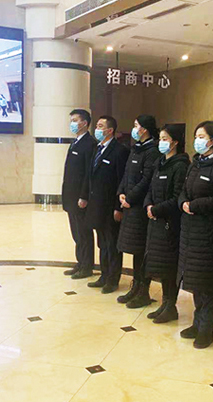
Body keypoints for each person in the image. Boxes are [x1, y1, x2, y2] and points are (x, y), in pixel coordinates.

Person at [177, 121, 213, 349]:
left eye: (202, 136)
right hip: (190, 232)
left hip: (209, 234)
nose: (197, 140)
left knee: (208, 283)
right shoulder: (196, 164)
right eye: (196, 136)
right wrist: (183, 203)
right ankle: (197, 322)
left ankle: (206, 329)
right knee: (195, 281)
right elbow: (183, 190)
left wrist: (195, 205)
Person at [143, 124, 190, 323]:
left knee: (170, 267)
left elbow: (177, 196)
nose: (161, 142)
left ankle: (171, 305)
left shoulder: (180, 165)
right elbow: (150, 189)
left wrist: (156, 210)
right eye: (160, 139)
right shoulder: (160, 163)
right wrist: (148, 205)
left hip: (170, 224)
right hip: (156, 222)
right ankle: (165, 303)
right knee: (161, 266)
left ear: (175, 142)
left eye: (165, 139)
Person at [116, 115, 162, 308]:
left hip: (140, 208)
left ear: (145, 129)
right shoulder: (136, 148)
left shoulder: (152, 151)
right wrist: (121, 193)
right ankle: (135, 286)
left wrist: (130, 198)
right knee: (135, 250)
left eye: (136, 125)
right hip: (129, 206)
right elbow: (126, 174)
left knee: (143, 251)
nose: (134, 129)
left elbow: (147, 180)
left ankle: (143, 290)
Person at [85, 116, 130, 294]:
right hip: (97, 206)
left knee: (112, 244)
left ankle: (113, 279)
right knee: (102, 243)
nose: (97, 129)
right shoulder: (98, 148)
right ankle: (104, 275)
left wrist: (118, 208)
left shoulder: (119, 151)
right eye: (97, 125)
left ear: (110, 130)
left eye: (100, 126)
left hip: (111, 206)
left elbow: (121, 181)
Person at [62, 109, 97, 280]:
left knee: (84, 233)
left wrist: (84, 196)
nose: (72, 124)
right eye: (71, 120)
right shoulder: (75, 142)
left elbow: (88, 174)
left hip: (80, 198)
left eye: (75, 120)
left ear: (84, 123)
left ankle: (87, 266)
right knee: (76, 233)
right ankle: (80, 262)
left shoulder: (90, 144)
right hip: (71, 196)